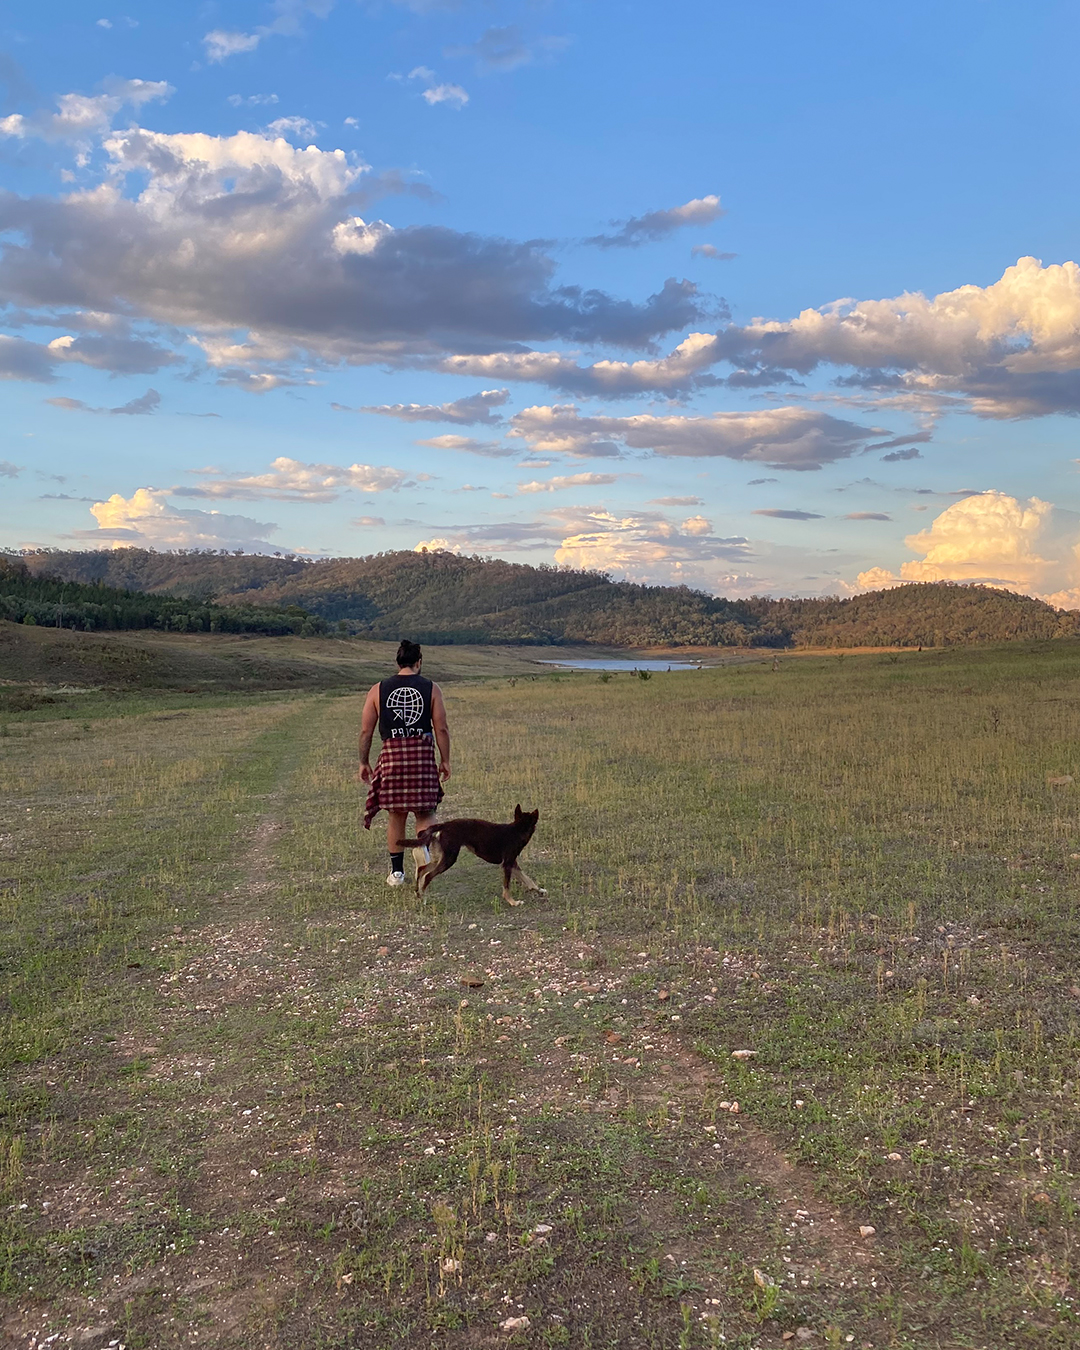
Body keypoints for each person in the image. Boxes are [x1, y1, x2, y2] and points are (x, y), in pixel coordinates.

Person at [359, 639, 451, 886]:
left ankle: (397, 873)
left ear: (397, 662)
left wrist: (364, 762)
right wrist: (445, 760)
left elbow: (366, 732)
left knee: (396, 816)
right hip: (421, 755)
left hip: (392, 757)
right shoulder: (431, 688)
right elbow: (441, 728)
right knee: (426, 812)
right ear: (419, 662)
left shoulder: (377, 689)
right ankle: (424, 853)